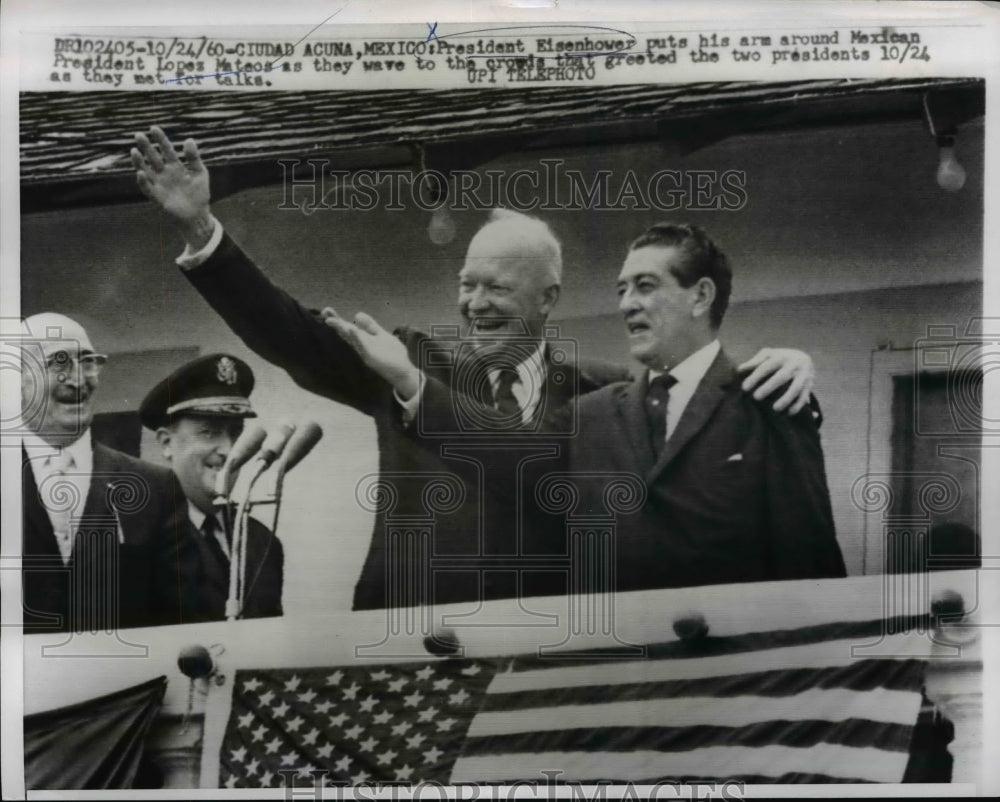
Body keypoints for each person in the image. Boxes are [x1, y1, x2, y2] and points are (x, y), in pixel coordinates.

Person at [131, 126, 818, 609]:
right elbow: (288, 333)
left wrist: (793, 362)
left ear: (547, 299)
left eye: (496, 288)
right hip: (412, 647)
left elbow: (694, 413)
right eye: (466, 284)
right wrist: (201, 232)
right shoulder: (407, 360)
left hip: (548, 661)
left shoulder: (607, 396)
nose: (473, 304)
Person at [332, 223, 847, 590]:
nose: (626, 304)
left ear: (700, 296)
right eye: (622, 289)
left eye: (646, 286)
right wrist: (408, 379)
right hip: (615, 682)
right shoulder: (593, 412)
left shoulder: (769, 400)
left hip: (737, 681)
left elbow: (814, 562)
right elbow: (503, 449)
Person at [20, 313, 196, 633]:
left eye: (88, 362)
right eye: (59, 362)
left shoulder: (155, 487)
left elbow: (183, 618)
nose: (79, 379)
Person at [139, 353, 284, 620]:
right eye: (208, 432)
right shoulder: (140, 539)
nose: (229, 449)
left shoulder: (262, 541)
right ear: (166, 443)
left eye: (235, 433)